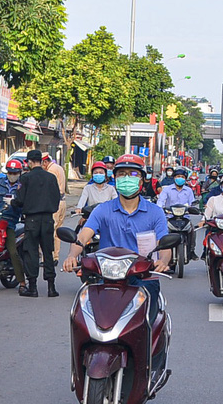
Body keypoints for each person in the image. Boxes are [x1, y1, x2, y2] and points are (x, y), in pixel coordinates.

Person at [63, 157, 171, 362]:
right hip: (106, 277)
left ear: (142, 180)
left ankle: (149, 367)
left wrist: (163, 261)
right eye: (121, 174)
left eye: (133, 174)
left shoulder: (155, 212)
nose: (126, 179)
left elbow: (165, 244)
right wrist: (72, 255)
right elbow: (84, 236)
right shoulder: (102, 210)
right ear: (115, 178)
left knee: (148, 323)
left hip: (143, 278)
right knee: (82, 317)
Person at [14, 146, 62, 298]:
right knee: (48, 252)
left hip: (32, 220)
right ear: (41, 161)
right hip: (48, 219)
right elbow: (57, 198)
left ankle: (33, 287)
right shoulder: (51, 177)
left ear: (29, 162)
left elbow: (20, 200)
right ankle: (51, 288)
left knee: (31, 252)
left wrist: (14, 203)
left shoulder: (26, 178)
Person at [73, 159, 119, 224]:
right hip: (91, 217)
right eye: (95, 173)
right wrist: (79, 208)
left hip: (107, 218)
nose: (98, 174)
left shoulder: (111, 188)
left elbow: (116, 202)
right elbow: (83, 199)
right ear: (92, 175)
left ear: (105, 175)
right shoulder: (88, 188)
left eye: (101, 173)